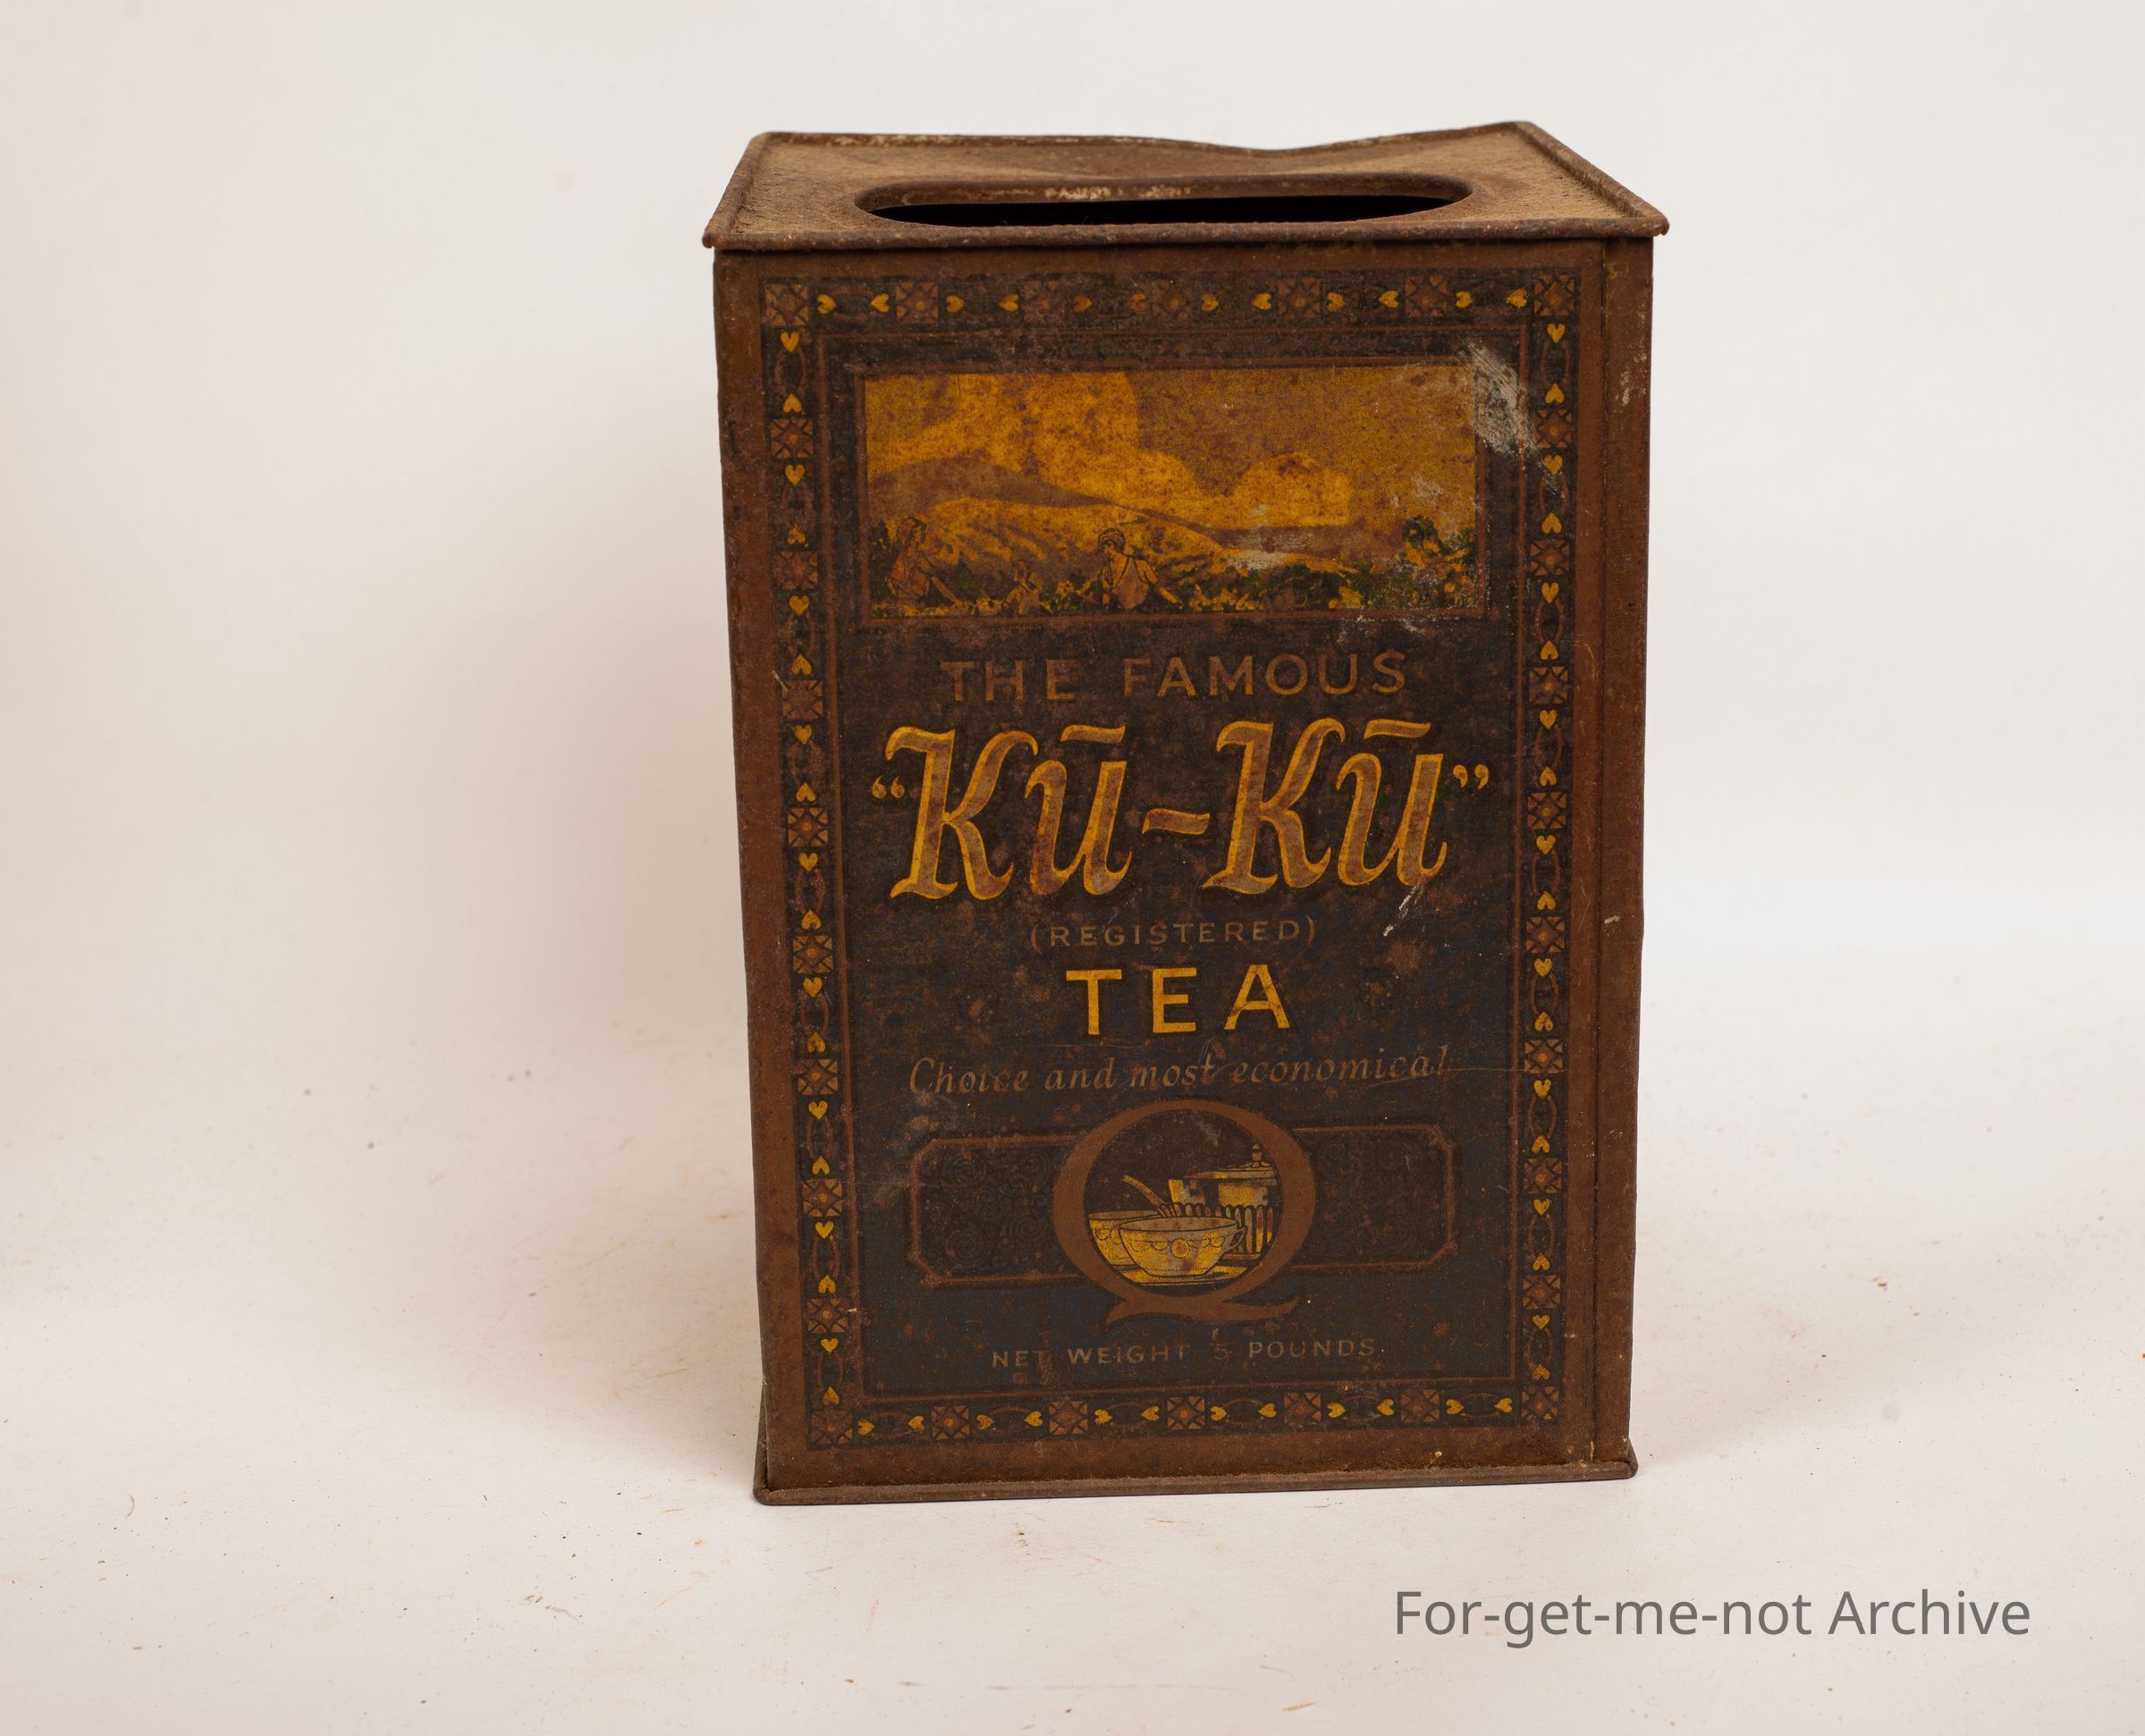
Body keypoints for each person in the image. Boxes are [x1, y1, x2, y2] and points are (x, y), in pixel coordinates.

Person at [1092, 527, 1175, 611]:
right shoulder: (1106, 570)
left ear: (1111, 545)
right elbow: (1106, 596)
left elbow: (1159, 589)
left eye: (1103, 548)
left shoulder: (1140, 565)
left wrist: (1175, 602)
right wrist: (1105, 611)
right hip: (1122, 614)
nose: (1102, 551)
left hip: (1145, 612)